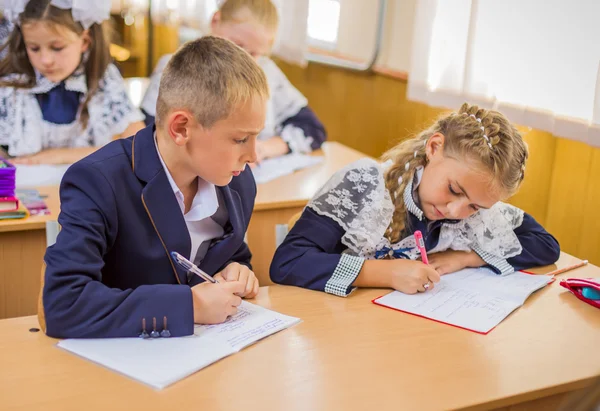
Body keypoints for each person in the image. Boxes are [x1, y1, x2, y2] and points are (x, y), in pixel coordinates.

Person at [42, 36, 268, 338]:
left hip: (207, 357)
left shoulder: (238, 181)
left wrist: (237, 269)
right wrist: (189, 306)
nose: (253, 155)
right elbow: (63, 304)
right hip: (119, 365)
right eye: (241, 139)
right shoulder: (98, 182)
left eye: (256, 138)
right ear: (181, 128)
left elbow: (232, 252)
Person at [270, 103, 560, 296]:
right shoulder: (365, 186)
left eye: (475, 206)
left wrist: (465, 258)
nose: (456, 211)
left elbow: (546, 246)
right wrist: (385, 273)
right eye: (454, 190)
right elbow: (288, 262)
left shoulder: (477, 209)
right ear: (435, 147)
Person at [141, 0, 326, 164]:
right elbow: (152, 133)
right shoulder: (174, 67)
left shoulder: (267, 72)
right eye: (236, 45)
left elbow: (313, 129)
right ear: (215, 22)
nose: (241, 59)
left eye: (254, 54)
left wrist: (266, 148)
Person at [0, 0, 144, 164]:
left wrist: (58, 156)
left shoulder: (104, 80)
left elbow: (136, 147)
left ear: (84, 41)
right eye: (34, 48)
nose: (46, 60)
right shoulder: (10, 88)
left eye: (57, 47)